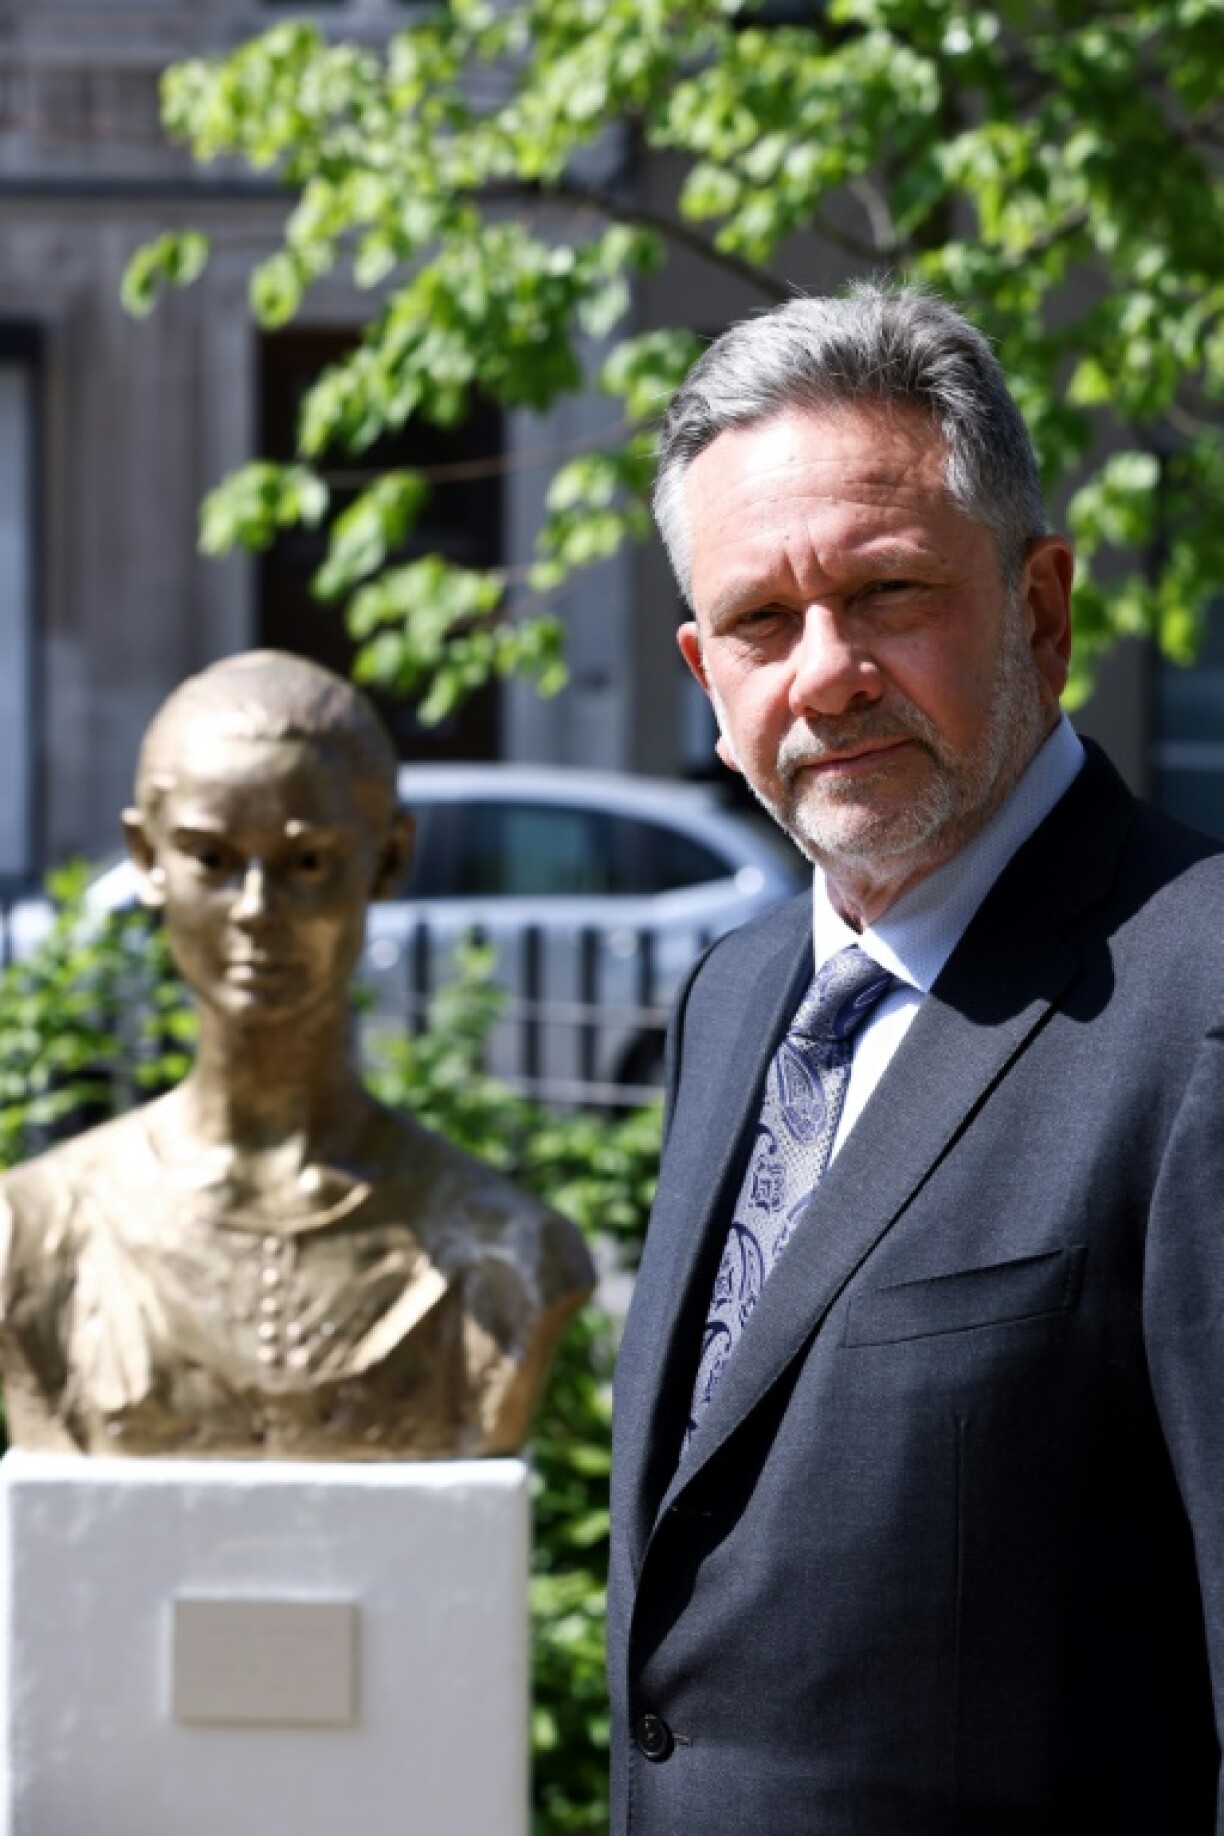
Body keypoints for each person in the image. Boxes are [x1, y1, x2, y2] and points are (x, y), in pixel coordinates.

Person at [609, 284, 1224, 1832]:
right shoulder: (738, 996)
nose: (825, 673)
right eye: (761, 622)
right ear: (705, 678)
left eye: (886, 593)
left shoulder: (1201, 996)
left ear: (1042, 610)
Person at [0, 651, 594, 1459]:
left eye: (308, 862)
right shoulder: (32, 1233)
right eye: (211, 859)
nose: (256, 909)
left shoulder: (508, 1253)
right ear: (146, 860)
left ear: (388, 859)